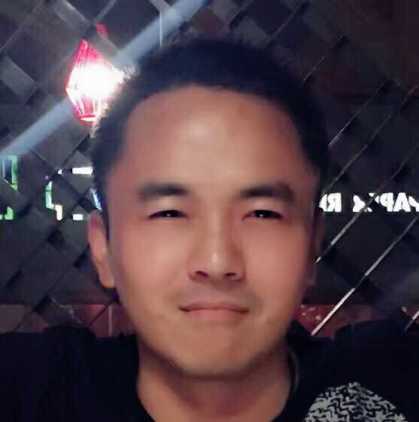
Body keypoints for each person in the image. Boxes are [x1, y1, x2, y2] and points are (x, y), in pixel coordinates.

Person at [1, 36, 418, 422]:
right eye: (169, 213)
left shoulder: (385, 393)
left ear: (312, 244)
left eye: (262, 214)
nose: (217, 262)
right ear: (103, 247)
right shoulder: (35, 392)